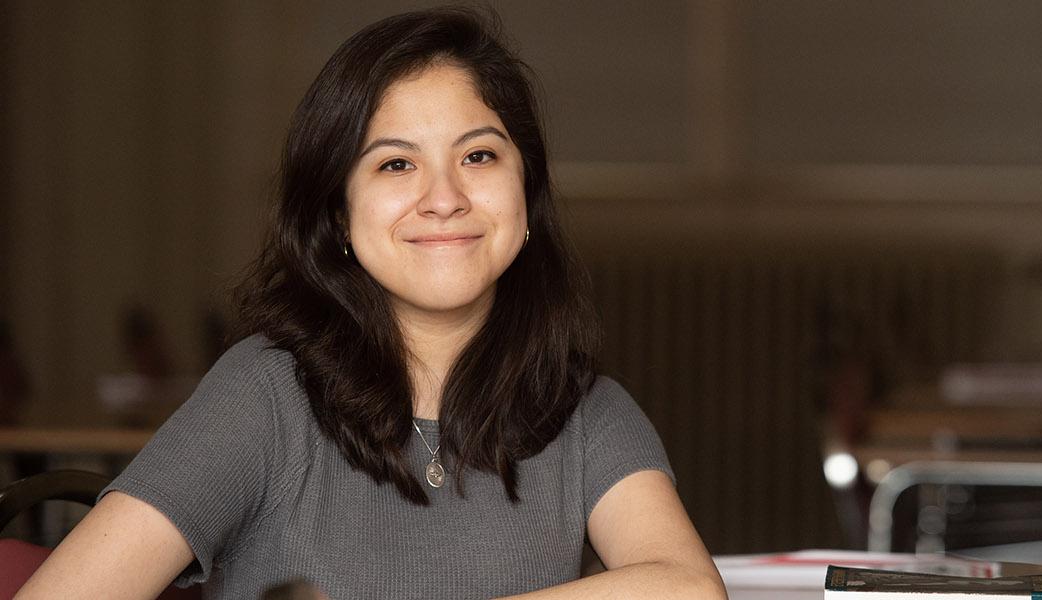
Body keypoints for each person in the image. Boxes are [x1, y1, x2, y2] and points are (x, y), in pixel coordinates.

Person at [18, 8, 725, 599]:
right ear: (338, 217)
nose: (444, 197)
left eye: (479, 156)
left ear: (528, 197)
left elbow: (688, 588)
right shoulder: (264, 394)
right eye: (395, 163)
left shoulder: (583, 409)